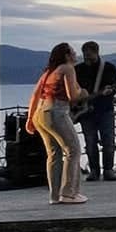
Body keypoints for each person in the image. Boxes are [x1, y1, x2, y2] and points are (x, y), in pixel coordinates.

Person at [25, 43, 88, 204]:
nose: (75, 54)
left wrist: (30, 119)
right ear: (67, 55)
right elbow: (72, 95)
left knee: (54, 154)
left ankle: (55, 196)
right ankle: (69, 193)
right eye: (73, 52)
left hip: (41, 113)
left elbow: (35, 95)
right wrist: (83, 92)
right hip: (57, 112)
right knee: (73, 150)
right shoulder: (67, 68)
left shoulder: (48, 72)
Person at [74, 41, 116, 182]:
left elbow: (113, 87)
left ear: (97, 52)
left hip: (105, 109)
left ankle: (108, 169)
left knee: (108, 140)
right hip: (86, 112)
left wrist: (108, 91)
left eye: (90, 55)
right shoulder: (78, 70)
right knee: (90, 141)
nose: (87, 58)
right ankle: (94, 170)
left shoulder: (108, 68)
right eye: (85, 55)